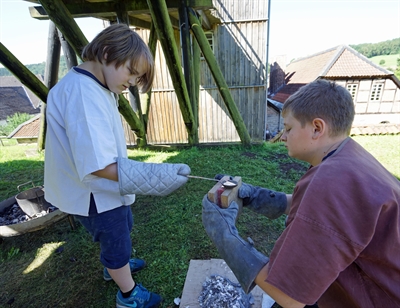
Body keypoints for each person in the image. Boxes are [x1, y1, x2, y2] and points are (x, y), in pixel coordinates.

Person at [202, 79, 400, 307]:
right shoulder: (349, 157)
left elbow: (289, 297)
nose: (283, 136)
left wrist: (224, 235)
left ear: (317, 128)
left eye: (288, 128)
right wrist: (257, 196)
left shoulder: (331, 183)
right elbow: (323, 212)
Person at [44, 23, 190, 308]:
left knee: (123, 225)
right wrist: (154, 175)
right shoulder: (82, 94)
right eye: (131, 73)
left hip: (106, 190)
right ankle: (127, 293)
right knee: (116, 238)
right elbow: (96, 166)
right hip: (92, 194)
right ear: (108, 52)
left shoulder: (96, 85)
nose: (133, 83)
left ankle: (116, 266)